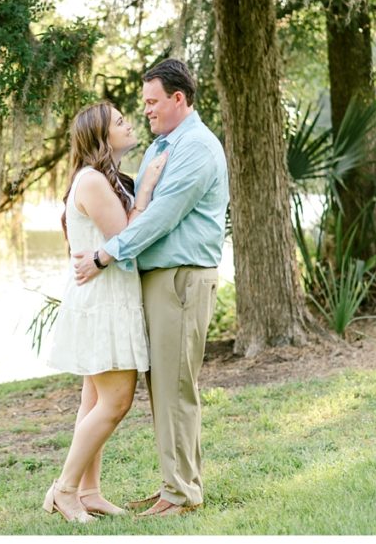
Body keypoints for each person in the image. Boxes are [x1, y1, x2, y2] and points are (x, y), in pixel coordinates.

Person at [72, 59, 229, 517]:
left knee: (175, 389)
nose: (147, 111)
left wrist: (105, 255)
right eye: (143, 104)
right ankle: (177, 486)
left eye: (153, 102)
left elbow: (161, 217)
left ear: (179, 99)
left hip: (180, 279)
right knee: (166, 388)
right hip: (160, 281)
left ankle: (180, 495)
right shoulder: (166, 145)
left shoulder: (196, 147)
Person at [42, 101, 168, 523]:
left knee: (93, 400)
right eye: (119, 122)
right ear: (101, 138)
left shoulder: (100, 179)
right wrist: (147, 189)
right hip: (103, 302)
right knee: (115, 402)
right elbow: (126, 237)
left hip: (106, 296)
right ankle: (64, 490)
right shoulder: (93, 180)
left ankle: (89, 491)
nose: (128, 122)